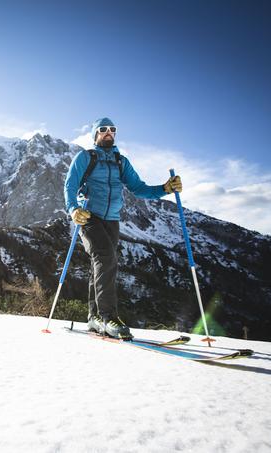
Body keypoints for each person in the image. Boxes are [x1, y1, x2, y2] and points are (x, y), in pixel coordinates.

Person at [64, 117, 182, 339]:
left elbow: (138, 188)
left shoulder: (121, 162)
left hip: (112, 220)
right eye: (103, 129)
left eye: (112, 129)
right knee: (106, 258)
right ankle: (109, 317)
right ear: (95, 134)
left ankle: (94, 317)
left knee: (99, 265)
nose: (108, 132)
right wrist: (73, 209)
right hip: (89, 216)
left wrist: (165, 188)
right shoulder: (85, 158)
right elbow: (70, 185)